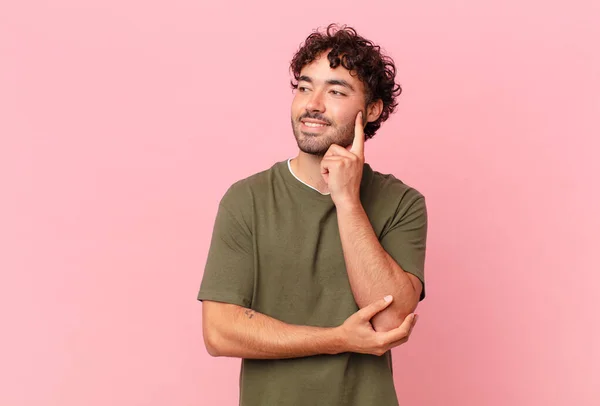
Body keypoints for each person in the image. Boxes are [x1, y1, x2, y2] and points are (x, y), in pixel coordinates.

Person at [197, 23, 428, 406]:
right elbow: (220, 333)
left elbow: (390, 322)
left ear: (371, 110)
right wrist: (337, 339)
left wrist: (348, 200)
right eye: (304, 87)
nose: (313, 104)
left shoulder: (402, 203)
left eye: (335, 91)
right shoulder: (247, 199)